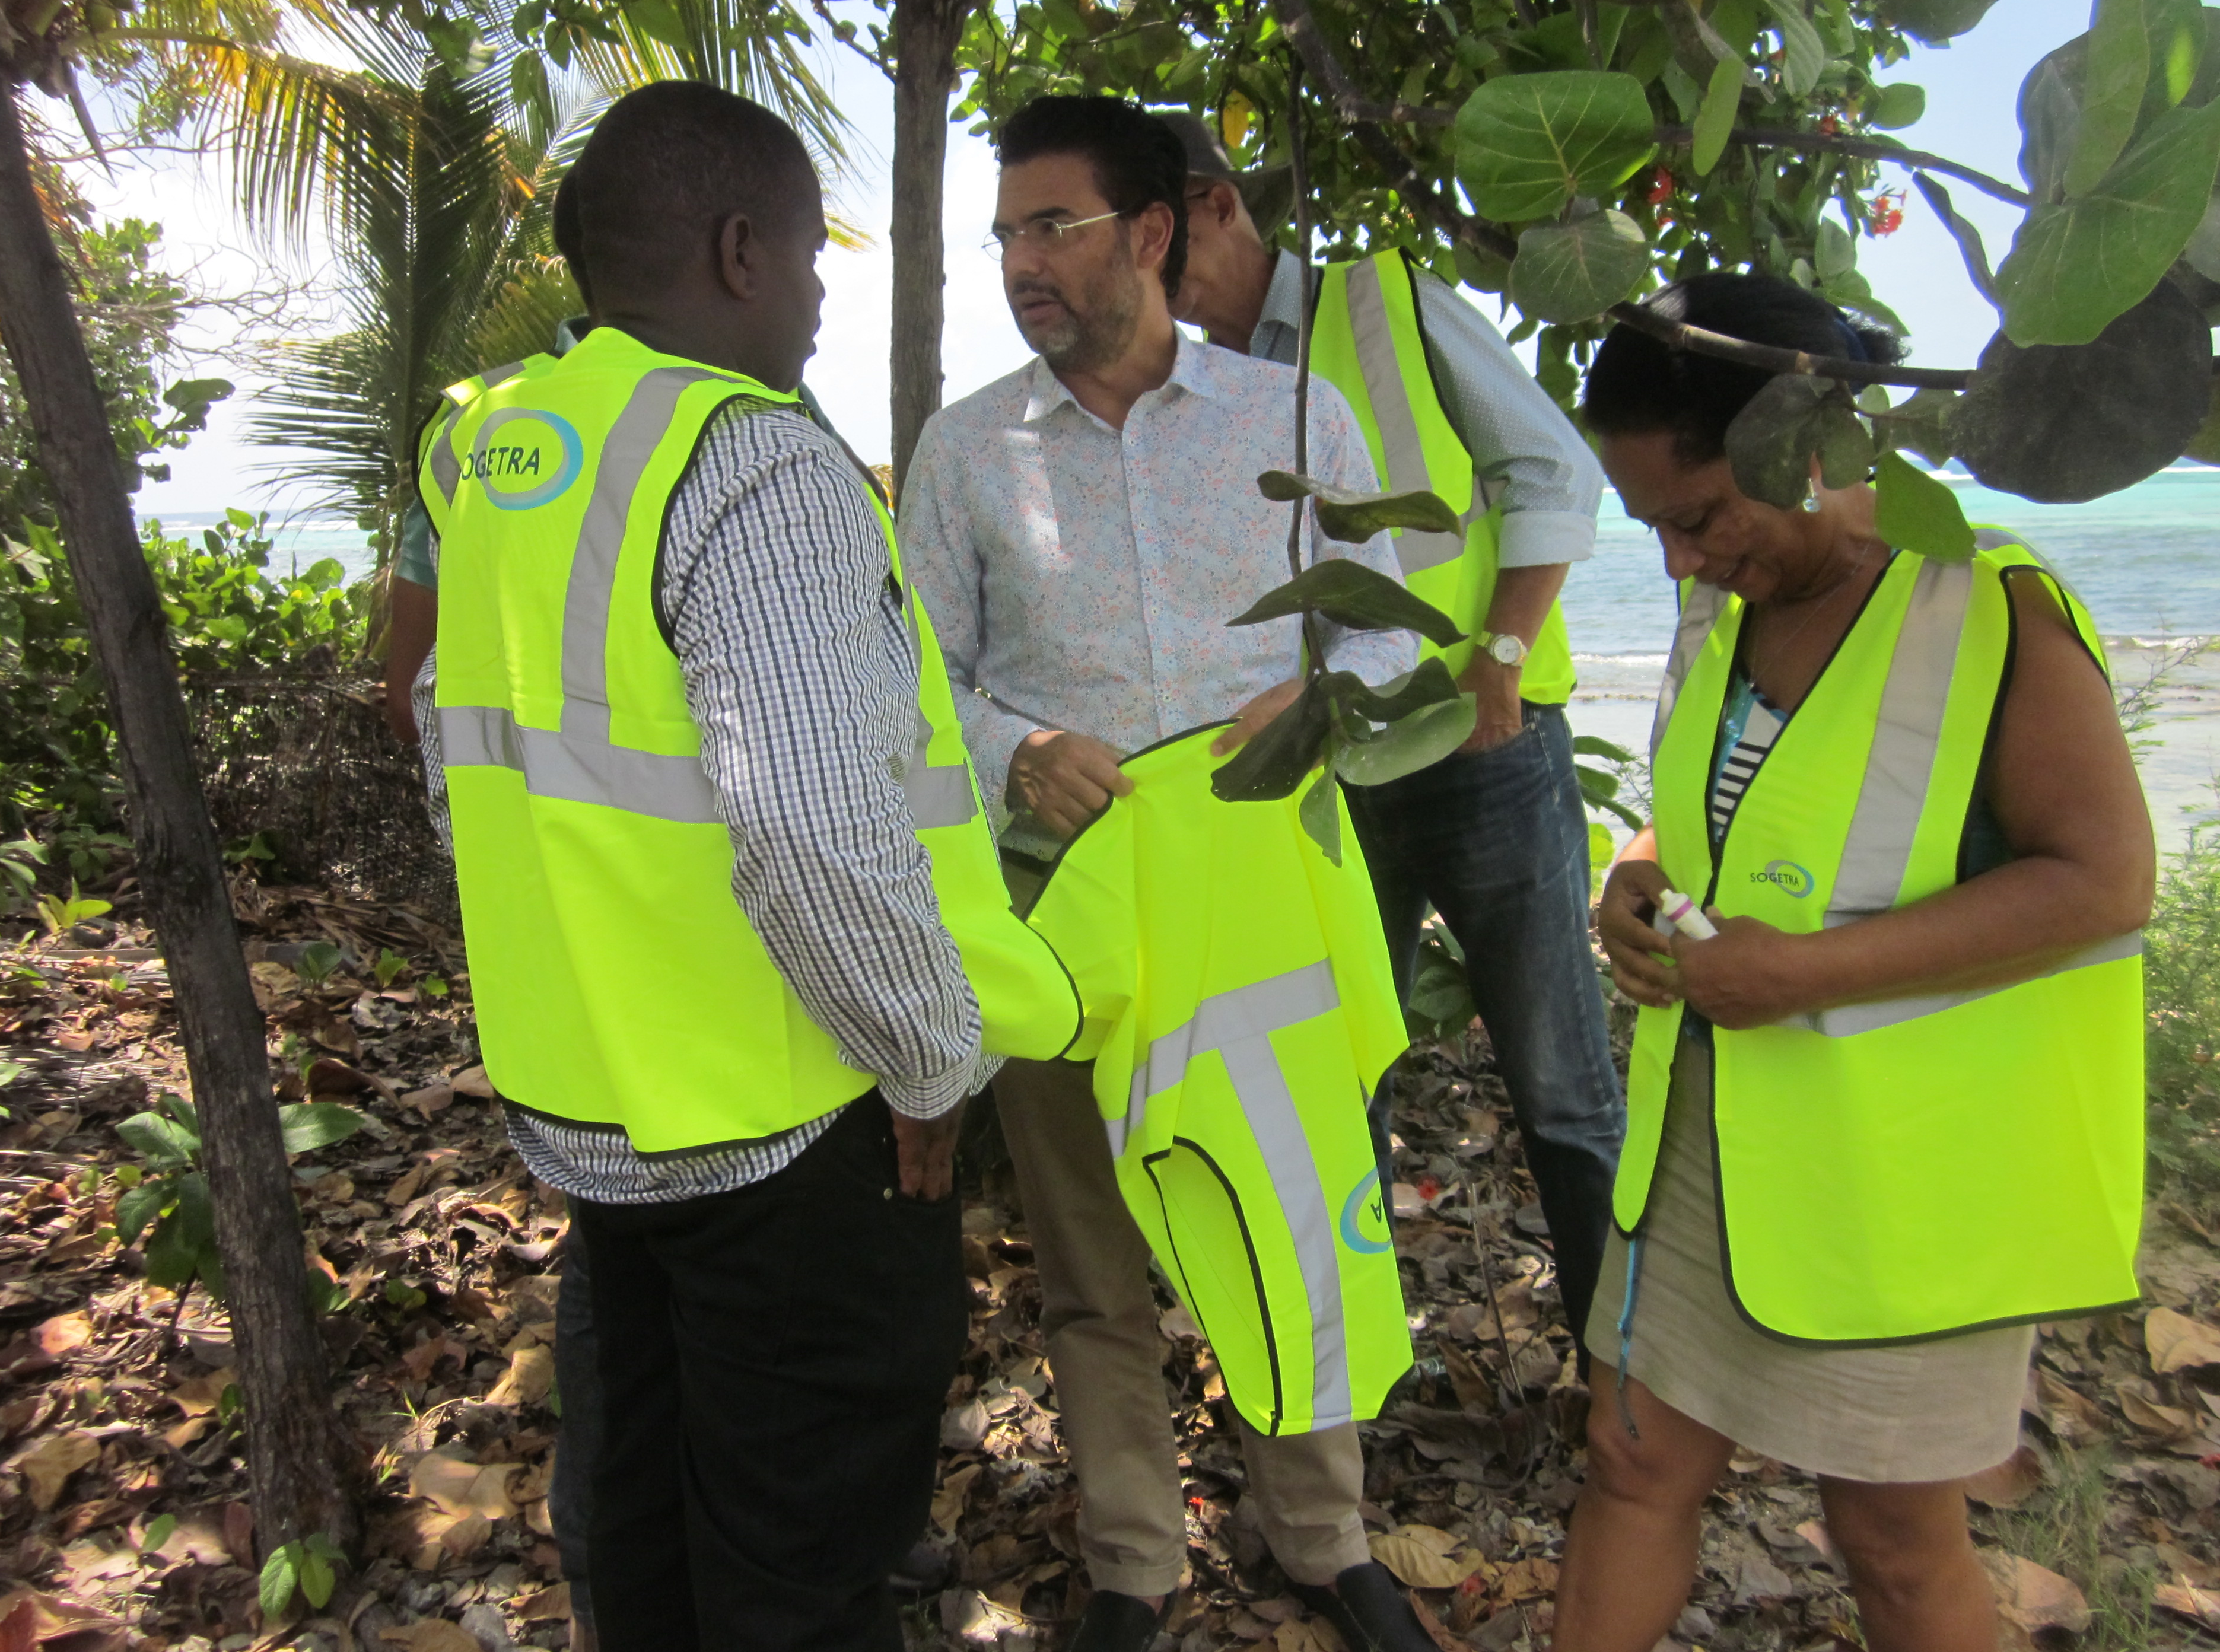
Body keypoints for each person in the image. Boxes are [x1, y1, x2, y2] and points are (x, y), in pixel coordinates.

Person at [417, 79, 1080, 1652]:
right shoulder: (753, 463)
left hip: (593, 1106)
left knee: (646, 1524)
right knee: (797, 1570)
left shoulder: (496, 447)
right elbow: (804, 827)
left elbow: (458, 751)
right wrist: (928, 1057)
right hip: (785, 1125)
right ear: (736, 253)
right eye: (804, 257)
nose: (820, 297)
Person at [901, 94, 1430, 1652]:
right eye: (1004, 234)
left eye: (1051, 226)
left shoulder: (1292, 419)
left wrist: (1314, 695)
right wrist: (1012, 748)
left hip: (1259, 910)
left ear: (1150, 231)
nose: (1021, 263)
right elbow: (915, 685)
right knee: (1089, 1263)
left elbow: (1387, 635)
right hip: (1068, 916)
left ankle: (1324, 1534)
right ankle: (1136, 1565)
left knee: (1289, 1214)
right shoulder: (966, 451)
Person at [1553, 273, 2151, 1652]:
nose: (1677, 563)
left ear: (1811, 444)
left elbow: (2101, 881)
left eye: (1698, 517)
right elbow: (1735, 810)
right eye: (1650, 528)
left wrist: (1805, 977)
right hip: (1705, 1141)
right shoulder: (1723, 602)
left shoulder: (1985, 607)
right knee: (1631, 1463)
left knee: (1888, 1538)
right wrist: (1636, 877)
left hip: (1903, 1185)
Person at [1158, 110, 1623, 1351]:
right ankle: (1360, 1371)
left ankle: (1622, 1377)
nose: (1150, 279)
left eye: (1160, 240)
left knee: (1562, 1090)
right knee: (1337, 1077)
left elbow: (1551, 469)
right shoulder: (1191, 385)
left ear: (1215, 205)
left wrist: (1499, 660)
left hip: (1482, 748)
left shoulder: (1383, 303)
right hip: (1328, 776)